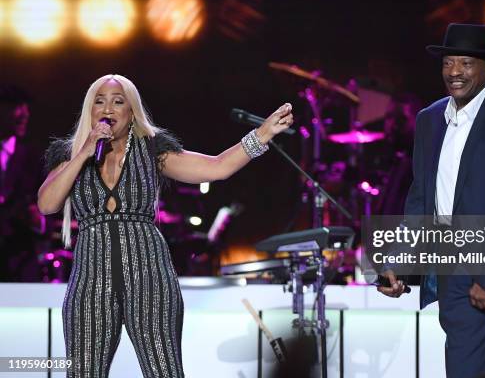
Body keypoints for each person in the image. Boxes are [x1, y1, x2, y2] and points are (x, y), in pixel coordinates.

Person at [38, 74, 293, 377]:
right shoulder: (70, 156)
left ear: (131, 112)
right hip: (90, 282)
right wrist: (83, 153)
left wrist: (262, 135)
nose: (108, 108)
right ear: (89, 111)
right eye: (100, 102)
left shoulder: (152, 151)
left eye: (118, 102)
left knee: (164, 371)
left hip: (149, 278)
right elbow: (47, 204)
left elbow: (217, 167)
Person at [377, 24, 485, 377]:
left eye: (465, 62)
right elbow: (422, 202)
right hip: (454, 266)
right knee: (464, 369)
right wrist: (399, 262)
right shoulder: (430, 120)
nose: (454, 72)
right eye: (448, 62)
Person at [0, 84, 44, 281]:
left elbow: (49, 212)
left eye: (26, 108)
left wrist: (38, 221)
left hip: (20, 268)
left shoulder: (34, 159)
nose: (24, 114)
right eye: (17, 106)